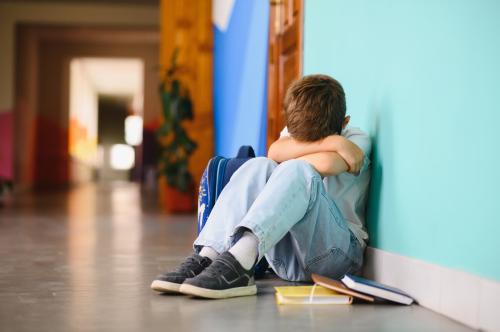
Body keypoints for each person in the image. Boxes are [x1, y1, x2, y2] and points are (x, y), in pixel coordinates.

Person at [151, 74, 371, 299]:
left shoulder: (356, 138)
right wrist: (334, 142)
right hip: (287, 261)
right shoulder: (336, 141)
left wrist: (334, 142)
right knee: (260, 165)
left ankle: (239, 262)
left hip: (338, 258)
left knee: (297, 169)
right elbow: (274, 152)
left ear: (345, 123)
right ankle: (209, 255)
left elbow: (326, 164)